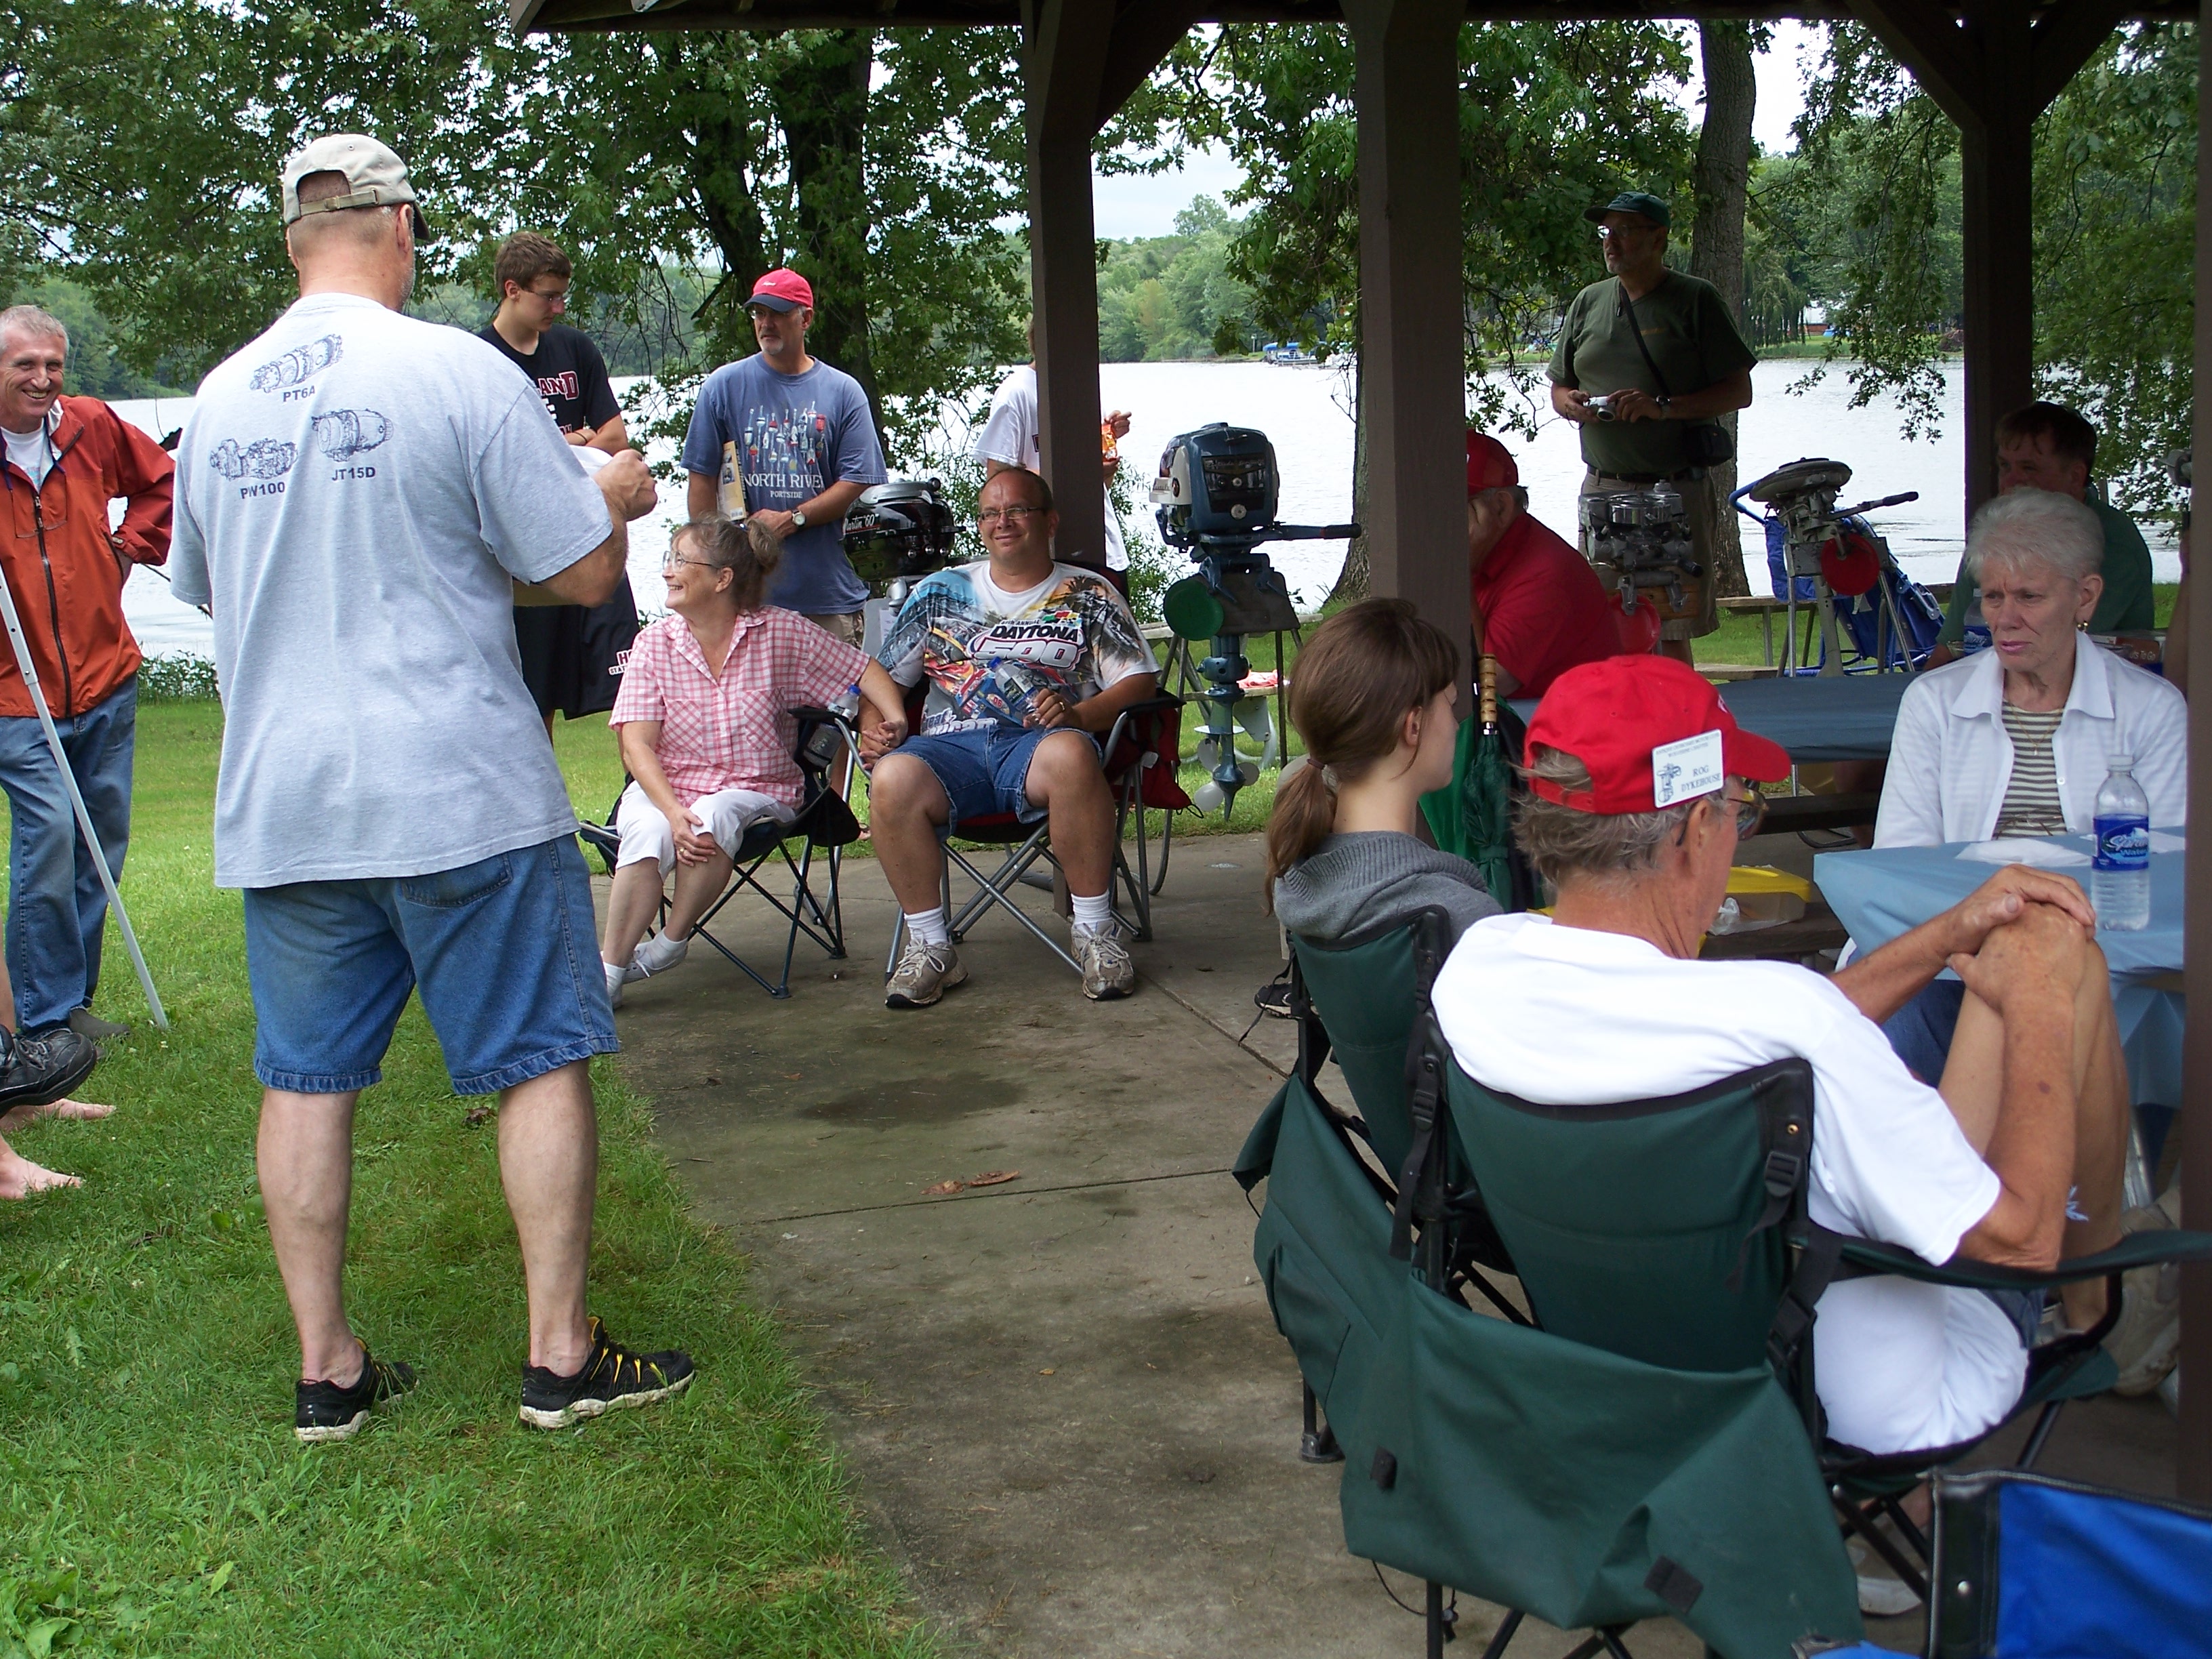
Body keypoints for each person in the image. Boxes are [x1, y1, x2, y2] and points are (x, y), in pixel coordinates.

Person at [167, 133, 691, 1442]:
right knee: (537, 1056)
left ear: (294, 241)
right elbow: (581, 570)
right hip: (458, 786)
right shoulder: (457, 370)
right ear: (399, 228)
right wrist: (612, 495)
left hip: (287, 798)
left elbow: (224, 588)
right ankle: (559, 1356)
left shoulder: (219, 401)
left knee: (305, 1077)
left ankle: (327, 1370)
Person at [1435, 653, 2131, 1458]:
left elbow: (1777, 1025)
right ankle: (2102, 1303)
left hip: (1631, 1370)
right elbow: (2021, 1242)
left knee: (2010, 953)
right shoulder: (1789, 1019)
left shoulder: (1476, 971)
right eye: (1740, 809)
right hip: (1852, 1407)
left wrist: (1946, 936)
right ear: (1696, 830)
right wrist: (2042, 995)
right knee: (2055, 952)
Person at [869, 466, 1158, 1006]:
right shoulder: (938, 591)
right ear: (980, 525)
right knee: (891, 778)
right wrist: (880, 724)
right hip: (947, 749)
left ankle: (1096, 934)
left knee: (1071, 754)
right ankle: (931, 947)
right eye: (990, 513)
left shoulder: (1089, 593)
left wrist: (1079, 715)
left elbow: (1139, 680)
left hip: (1039, 747)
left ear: (1049, 521)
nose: (1002, 522)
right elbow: (880, 678)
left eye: (1017, 510)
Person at [600, 516, 907, 1007]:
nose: (667, 571)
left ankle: (668, 945)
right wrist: (671, 810)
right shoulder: (653, 644)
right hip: (667, 787)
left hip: (757, 788)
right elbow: (636, 746)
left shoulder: (780, 632)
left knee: (714, 813)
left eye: (681, 560)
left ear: (722, 578)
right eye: (668, 559)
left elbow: (864, 669)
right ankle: (610, 973)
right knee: (647, 832)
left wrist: (893, 719)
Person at [0, 303, 175, 1043]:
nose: (43, 379)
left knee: (98, 849)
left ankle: (71, 1002)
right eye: (25, 365)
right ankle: (40, 1021)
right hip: (16, 692)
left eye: (53, 365)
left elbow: (162, 481)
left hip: (105, 674)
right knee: (47, 838)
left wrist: (129, 545)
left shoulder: (89, 425)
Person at [1877, 489, 2188, 851]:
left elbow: (2167, 855)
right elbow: (1902, 851)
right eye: (1993, 597)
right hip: (1965, 888)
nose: (2006, 619)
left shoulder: (2151, 708)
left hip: (2100, 889)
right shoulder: (1934, 702)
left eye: (2029, 597)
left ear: (2086, 597)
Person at [1548, 192, 1756, 665]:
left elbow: (1738, 392)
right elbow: (1559, 387)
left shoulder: (1695, 299)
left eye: (1625, 231)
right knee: (1601, 621)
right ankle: (1615, 713)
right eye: (1607, 231)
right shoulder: (1589, 302)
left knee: (1671, 624)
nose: (1611, 242)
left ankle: (1679, 712)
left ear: (1658, 239)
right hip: (1603, 489)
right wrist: (1571, 404)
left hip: (1673, 490)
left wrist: (1661, 408)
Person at [478, 232, 640, 735]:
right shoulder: (480, 359)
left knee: (630, 691)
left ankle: (639, 786)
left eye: (562, 296)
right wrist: (574, 441)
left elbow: (615, 437)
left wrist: (558, 444)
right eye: (548, 296)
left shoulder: (575, 348)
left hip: (594, 536)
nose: (559, 307)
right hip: (527, 556)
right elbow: (491, 460)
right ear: (512, 290)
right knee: (535, 701)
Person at [1266, 599, 1499, 943]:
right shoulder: (1463, 916)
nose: (1454, 725)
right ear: (1413, 727)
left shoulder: (1297, 883)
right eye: (1450, 704)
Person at [680, 269, 887, 644]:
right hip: (747, 599)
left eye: (778, 313)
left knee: (836, 688)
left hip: (826, 596)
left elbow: (860, 483)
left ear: (805, 319)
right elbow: (701, 480)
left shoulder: (843, 392)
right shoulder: (723, 387)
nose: (766, 323)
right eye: (759, 313)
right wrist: (712, 567)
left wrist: (793, 519)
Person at [1934, 402, 2158, 660]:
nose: (2010, 482)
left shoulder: (2114, 545)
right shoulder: (1993, 539)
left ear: (2074, 476)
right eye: (2005, 467)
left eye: (2029, 469)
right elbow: (1948, 649)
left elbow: (2055, 654)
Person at [1464, 431, 1626, 698]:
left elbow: (1491, 684)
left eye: (1458, 507)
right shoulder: (1487, 551)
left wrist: (1455, 573)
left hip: (1576, 719)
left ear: (1502, 507)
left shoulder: (1545, 574)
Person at [975, 323, 1133, 569]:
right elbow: (998, 481)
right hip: (1051, 555)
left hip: (1104, 549)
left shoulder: (1082, 390)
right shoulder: (1016, 393)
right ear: (1040, 342)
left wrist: (1107, 441)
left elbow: (1102, 484)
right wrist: (1079, 476)